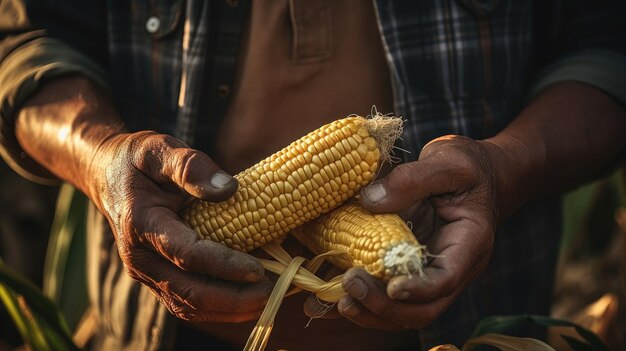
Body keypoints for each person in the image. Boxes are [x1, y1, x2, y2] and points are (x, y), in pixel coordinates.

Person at [1, 1, 625, 350]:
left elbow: (607, 45)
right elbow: (25, 39)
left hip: (459, 335)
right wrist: (102, 155)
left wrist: (507, 167)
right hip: (160, 335)